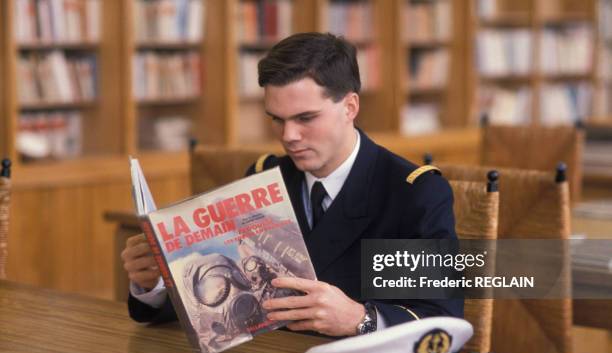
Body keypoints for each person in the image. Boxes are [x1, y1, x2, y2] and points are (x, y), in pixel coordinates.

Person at [122, 32, 462, 337]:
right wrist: (153, 283)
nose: (289, 137)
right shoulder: (264, 178)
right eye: (277, 120)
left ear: (350, 106)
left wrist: (361, 318)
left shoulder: (412, 194)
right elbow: (222, 309)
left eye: (305, 118)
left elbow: (441, 321)